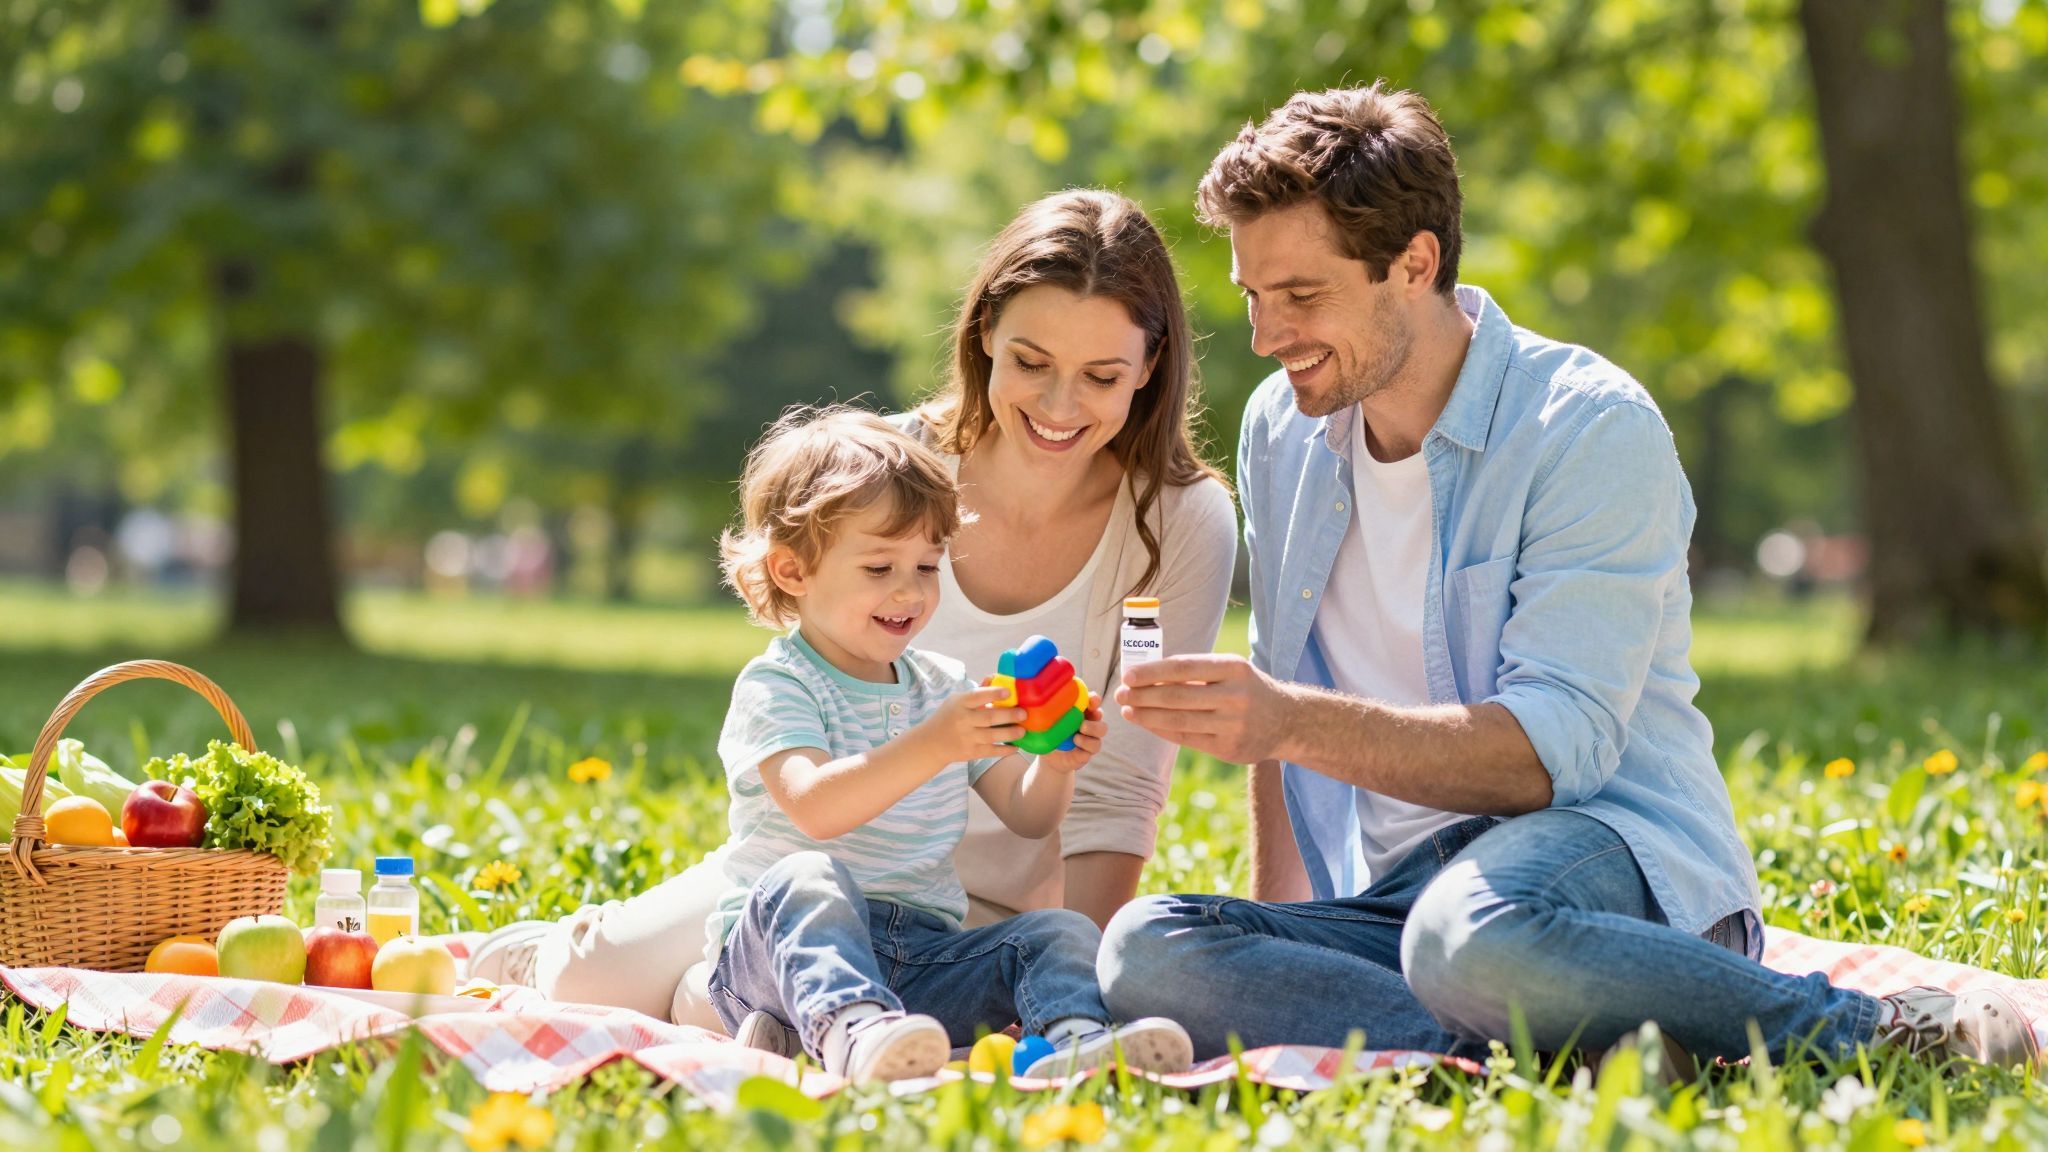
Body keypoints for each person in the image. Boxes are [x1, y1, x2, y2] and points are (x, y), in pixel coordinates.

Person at [1099, 83, 2036, 1073]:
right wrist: (1274, 944)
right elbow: (1282, 684)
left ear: (1412, 263)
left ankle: (1876, 1033)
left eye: (1299, 296)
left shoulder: (1587, 426)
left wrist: (1287, 720)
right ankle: (1583, 1047)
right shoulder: (1281, 428)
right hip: (1404, 908)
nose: (1263, 335)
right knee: (1146, 948)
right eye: (1252, 296)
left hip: (1597, 861)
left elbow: (1554, 757)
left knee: (1467, 936)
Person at [468, 190, 1238, 1031]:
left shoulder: (1178, 522)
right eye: (1031, 362)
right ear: (983, 332)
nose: (1059, 407)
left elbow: (1118, 791)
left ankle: (727, 1005)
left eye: (1102, 377)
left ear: (1152, 366)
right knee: (591, 985)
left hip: (971, 910)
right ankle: (566, 953)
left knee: (937, 1021)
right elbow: (801, 701)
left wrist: (1078, 977)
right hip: (808, 873)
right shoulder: (888, 471)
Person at [676, 406, 1191, 1083]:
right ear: (793, 571)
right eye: (880, 566)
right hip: (780, 951)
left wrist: (1056, 762)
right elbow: (815, 809)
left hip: (920, 958)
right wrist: (934, 744)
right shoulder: (779, 684)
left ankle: (1076, 1040)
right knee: (808, 878)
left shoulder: (943, 685)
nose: (910, 590)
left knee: (1057, 930)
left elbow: (1028, 815)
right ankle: (851, 1032)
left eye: (927, 564)